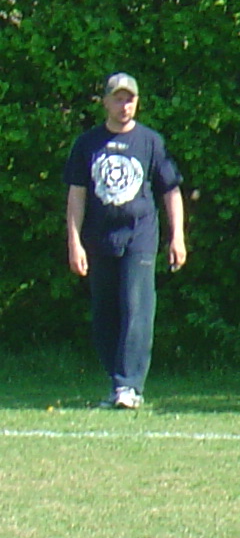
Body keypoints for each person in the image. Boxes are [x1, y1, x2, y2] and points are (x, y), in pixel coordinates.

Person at [62, 72, 185, 409]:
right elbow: (76, 195)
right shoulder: (87, 144)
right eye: (118, 99)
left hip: (139, 236)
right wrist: (74, 241)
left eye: (129, 99)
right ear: (105, 102)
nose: (124, 105)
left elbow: (171, 190)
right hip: (100, 238)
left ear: (137, 102)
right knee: (105, 313)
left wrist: (177, 237)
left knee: (136, 307)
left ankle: (129, 386)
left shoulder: (150, 142)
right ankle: (117, 383)